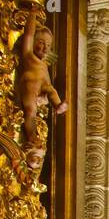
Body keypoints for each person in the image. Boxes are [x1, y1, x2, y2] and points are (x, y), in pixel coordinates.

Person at [18, 9, 67, 149]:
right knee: (30, 112)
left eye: (48, 46)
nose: (45, 48)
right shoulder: (29, 56)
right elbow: (28, 34)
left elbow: (47, 83)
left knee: (51, 89)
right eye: (41, 42)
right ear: (33, 43)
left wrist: (47, 97)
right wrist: (32, 14)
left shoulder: (44, 66)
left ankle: (58, 106)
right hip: (29, 86)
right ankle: (31, 137)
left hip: (41, 89)